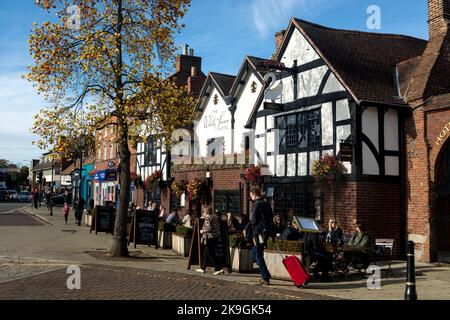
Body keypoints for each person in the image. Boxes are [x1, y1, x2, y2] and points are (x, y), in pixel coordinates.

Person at [247, 187, 273, 285]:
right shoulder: (267, 204)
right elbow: (271, 218)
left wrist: (252, 232)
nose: (251, 197)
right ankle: (264, 273)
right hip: (266, 232)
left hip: (258, 233)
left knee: (258, 254)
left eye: (251, 195)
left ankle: (265, 276)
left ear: (253, 194)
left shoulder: (256, 204)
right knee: (254, 253)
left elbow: (253, 220)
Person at [196, 207, 224, 275]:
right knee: (206, 253)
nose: (203, 213)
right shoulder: (214, 217)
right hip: (215, 237)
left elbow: (209, 228)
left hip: (210, 237)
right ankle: (203, 268)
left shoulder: (208, 217)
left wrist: (202, 231)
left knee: (210, 253)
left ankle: (219, 268)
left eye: (204, 212)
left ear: (206, 212)